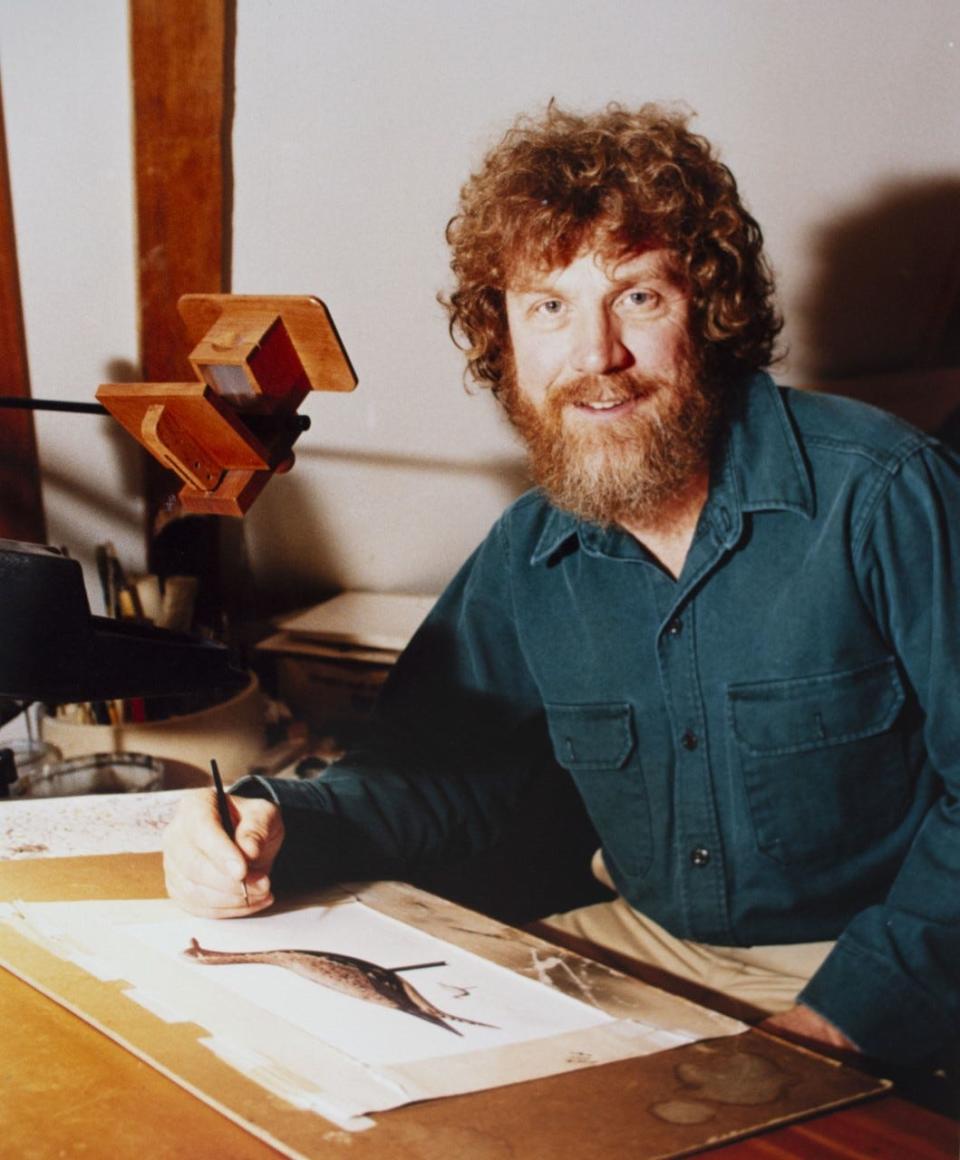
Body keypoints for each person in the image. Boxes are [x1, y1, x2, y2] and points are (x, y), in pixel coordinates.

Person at [164, 102, 960, 1069]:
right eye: (549, 307)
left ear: (708, 313)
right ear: (503, 339)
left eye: (637, 298)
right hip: (650, 945)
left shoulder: (884, 493)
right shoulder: (530, 549)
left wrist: (847, 1015)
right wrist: (266, 823)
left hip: (884, 963)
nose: (595, 358)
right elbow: (433, 767)